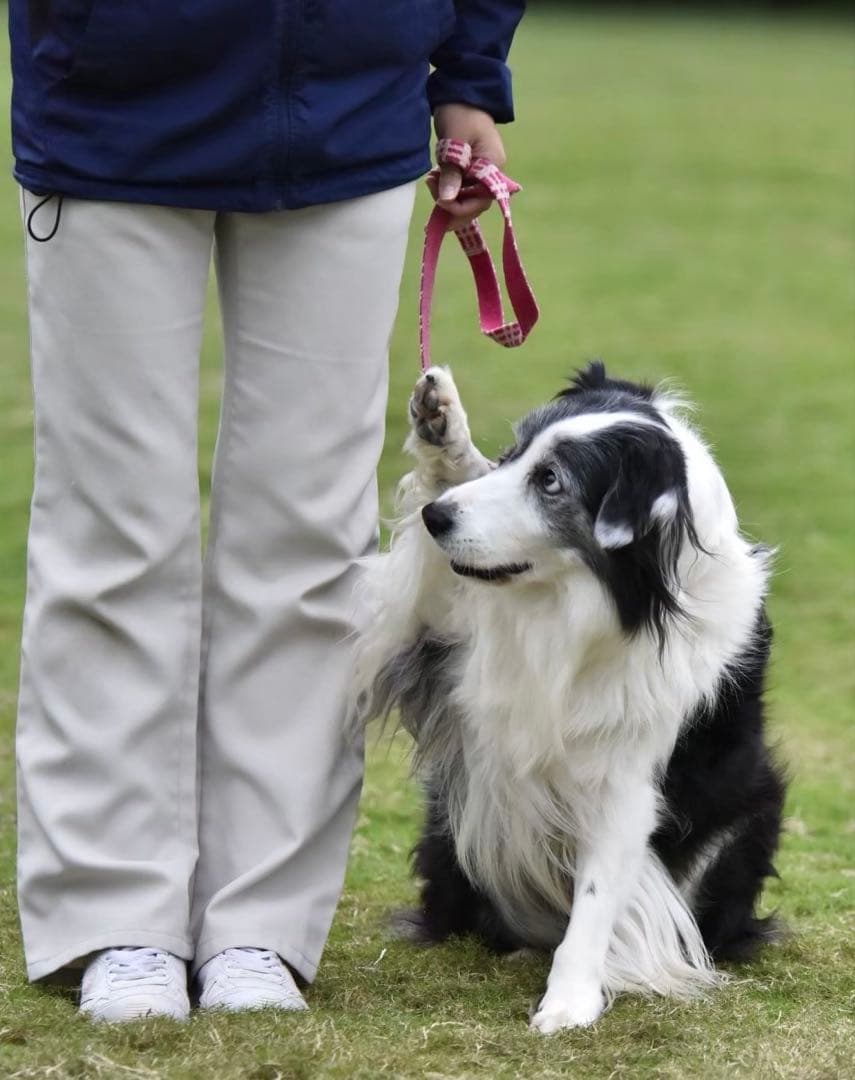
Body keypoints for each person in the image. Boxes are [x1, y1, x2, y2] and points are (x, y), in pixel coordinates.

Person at [9, 2, 526, 1022]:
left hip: (349, 109)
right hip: (108, 101)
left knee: (309, 539)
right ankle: (115, 914)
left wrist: (469, 70)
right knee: (111, 530)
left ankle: (262, 929)